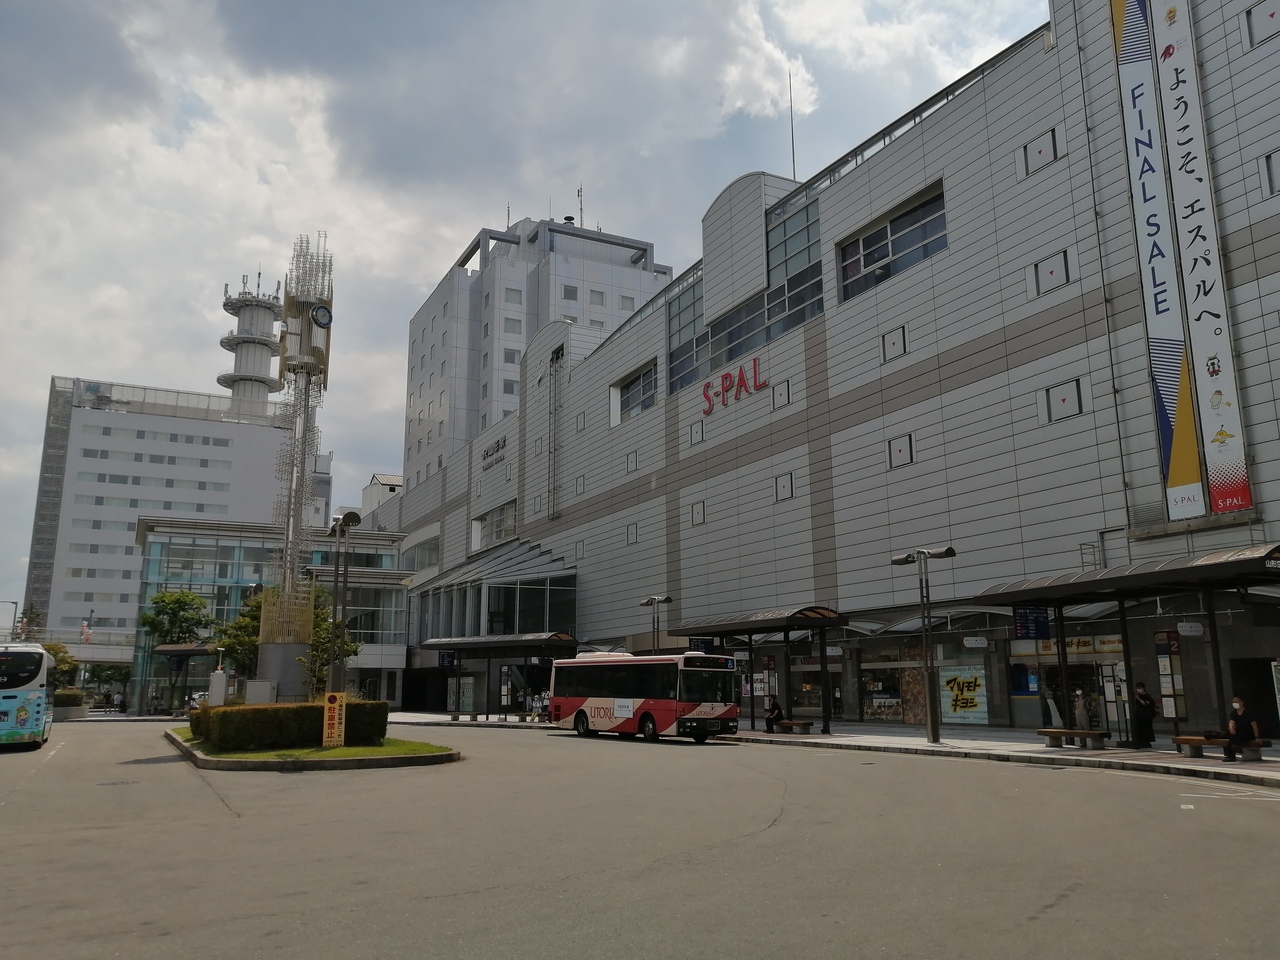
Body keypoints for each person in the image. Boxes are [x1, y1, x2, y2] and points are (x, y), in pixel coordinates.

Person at [1223, 695, 1261, 763]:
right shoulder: (1233, 713)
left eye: (1236, 702)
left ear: (1241, 703)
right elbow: (1231, 722)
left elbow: (1254, 725)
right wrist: (1231, 728)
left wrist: (1257, 737)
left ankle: (1231, 755)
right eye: (1233, 702)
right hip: (1238, 732)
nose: (1234, 704)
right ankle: (1234, 749)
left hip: (1248, 733)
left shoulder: (1248, 713)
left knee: (1234, 739)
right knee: (1230, 735)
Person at [1131, 681, 1158, 749]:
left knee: (1147, 728)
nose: (1138, 690)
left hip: (1146, 715)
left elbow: (1145, 703)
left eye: (1139, 688)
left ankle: (1147, 741)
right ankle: (1141, 741)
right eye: (1137, 688)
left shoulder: (1147, 696)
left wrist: (1138, 698)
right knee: (1139, 728)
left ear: (1143, 688)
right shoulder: (1137, 696)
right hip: (1139, 715)